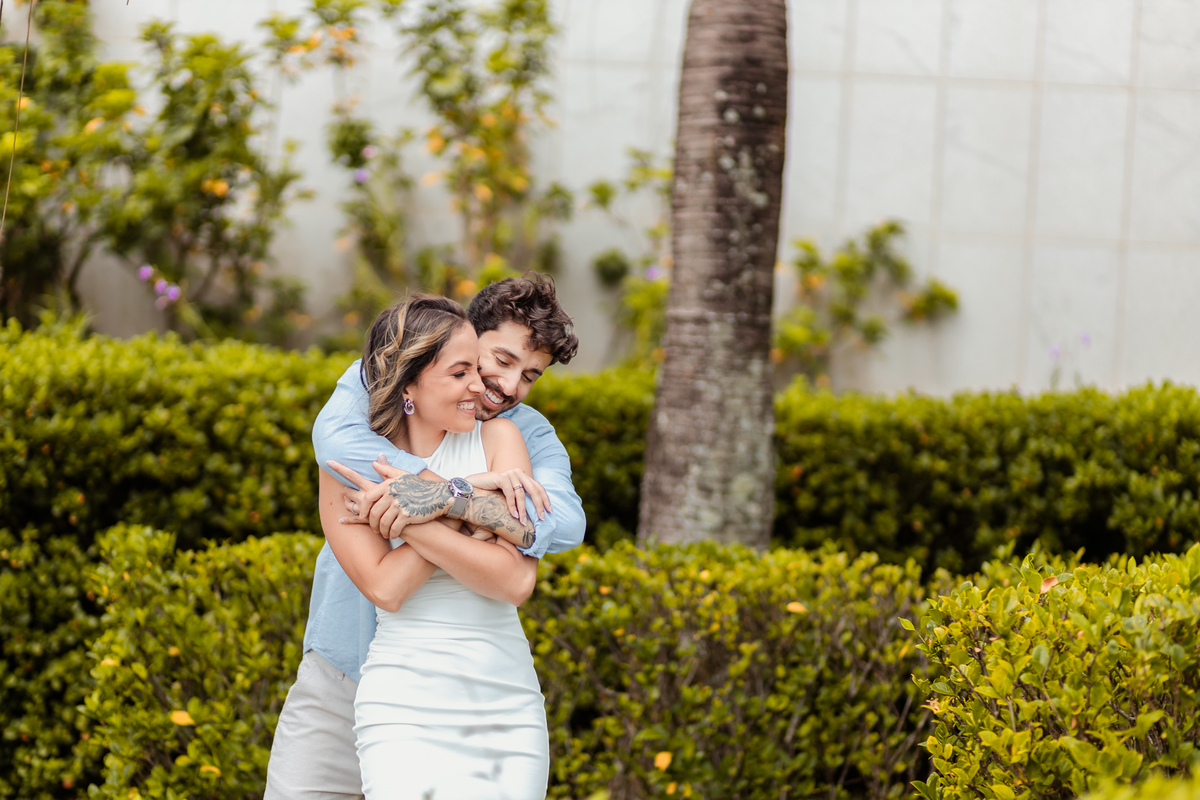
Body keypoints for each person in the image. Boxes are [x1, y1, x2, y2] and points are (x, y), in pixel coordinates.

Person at [265, 275, 583, 800]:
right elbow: (335, 446)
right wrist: (474, 500)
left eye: (530, 375)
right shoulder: (360, 418)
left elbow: (563, 524)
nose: (507, 387)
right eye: (499, 361)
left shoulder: (517, 432)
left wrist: (447, 497)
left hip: (484, 692)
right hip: (344, 673)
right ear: (464, 337)